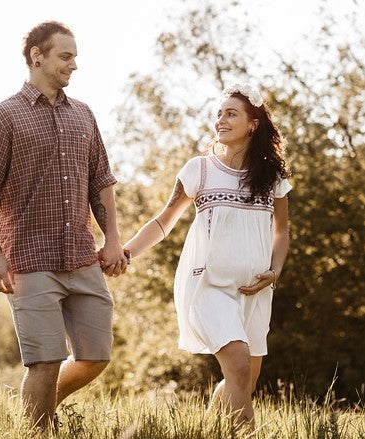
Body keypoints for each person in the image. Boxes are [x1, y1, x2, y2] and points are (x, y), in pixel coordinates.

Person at [0, 21, 127, 430]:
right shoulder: (1, 117)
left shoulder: (84, 115)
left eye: (74, 56)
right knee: (45, 359)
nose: (74, 65)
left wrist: (112, 240)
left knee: (96, 356)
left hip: (80, 254)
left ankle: (35, 412)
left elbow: (102, 182)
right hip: (28, 258)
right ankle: (34, 429)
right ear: (37, 56)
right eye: (65, 56)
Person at [119, 83, 291, 428]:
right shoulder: (200, 169)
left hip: (255, 290)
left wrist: (275, 270)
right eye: (219, 114)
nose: (220, 121)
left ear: (253, 123)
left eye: (231, 114)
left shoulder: (271, 177)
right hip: (207, 286)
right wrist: (125, 253)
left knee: (243, 381)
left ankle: (210, 427)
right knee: (239, 365)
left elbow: (282, 231)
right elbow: (163, 222)